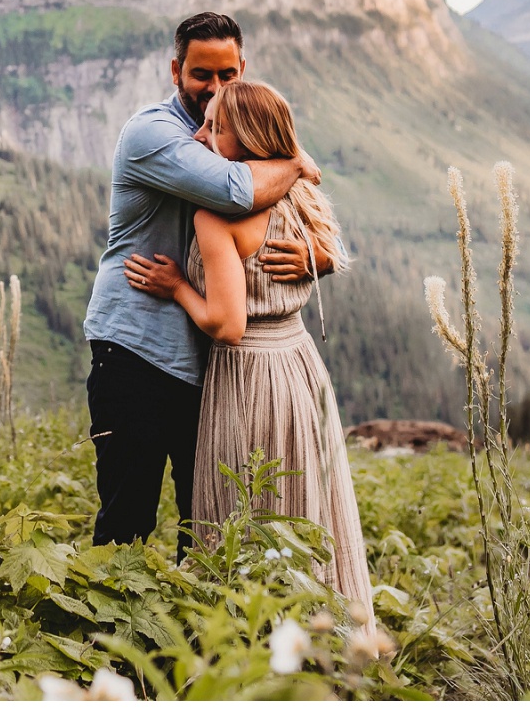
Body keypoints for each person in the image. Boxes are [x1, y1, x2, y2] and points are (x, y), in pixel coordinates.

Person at [82, 11, 327, 550]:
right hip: (136, 351)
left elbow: (283, 218)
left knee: (210, 523)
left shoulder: (237, 137)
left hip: (210, 364)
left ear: (242, 69)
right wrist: (296, 160)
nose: (213, 88)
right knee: (128, 522)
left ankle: (194, 635)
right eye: (200, 75)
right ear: (176, 71)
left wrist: (315, 255)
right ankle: (106, 635)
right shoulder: (154, 133)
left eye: (227, 75)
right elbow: (236, 191)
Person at [124, 78, 370, 612]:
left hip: (247, 376)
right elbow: (330, 254)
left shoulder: (216, 216)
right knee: (311, 505)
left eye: (217, 127)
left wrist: (177, 288)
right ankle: (324, 639)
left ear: (250, 137)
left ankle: (246, 650)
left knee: (246, 509)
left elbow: (227, 325)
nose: (201, 135)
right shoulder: (303, 197)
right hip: (302, 367)